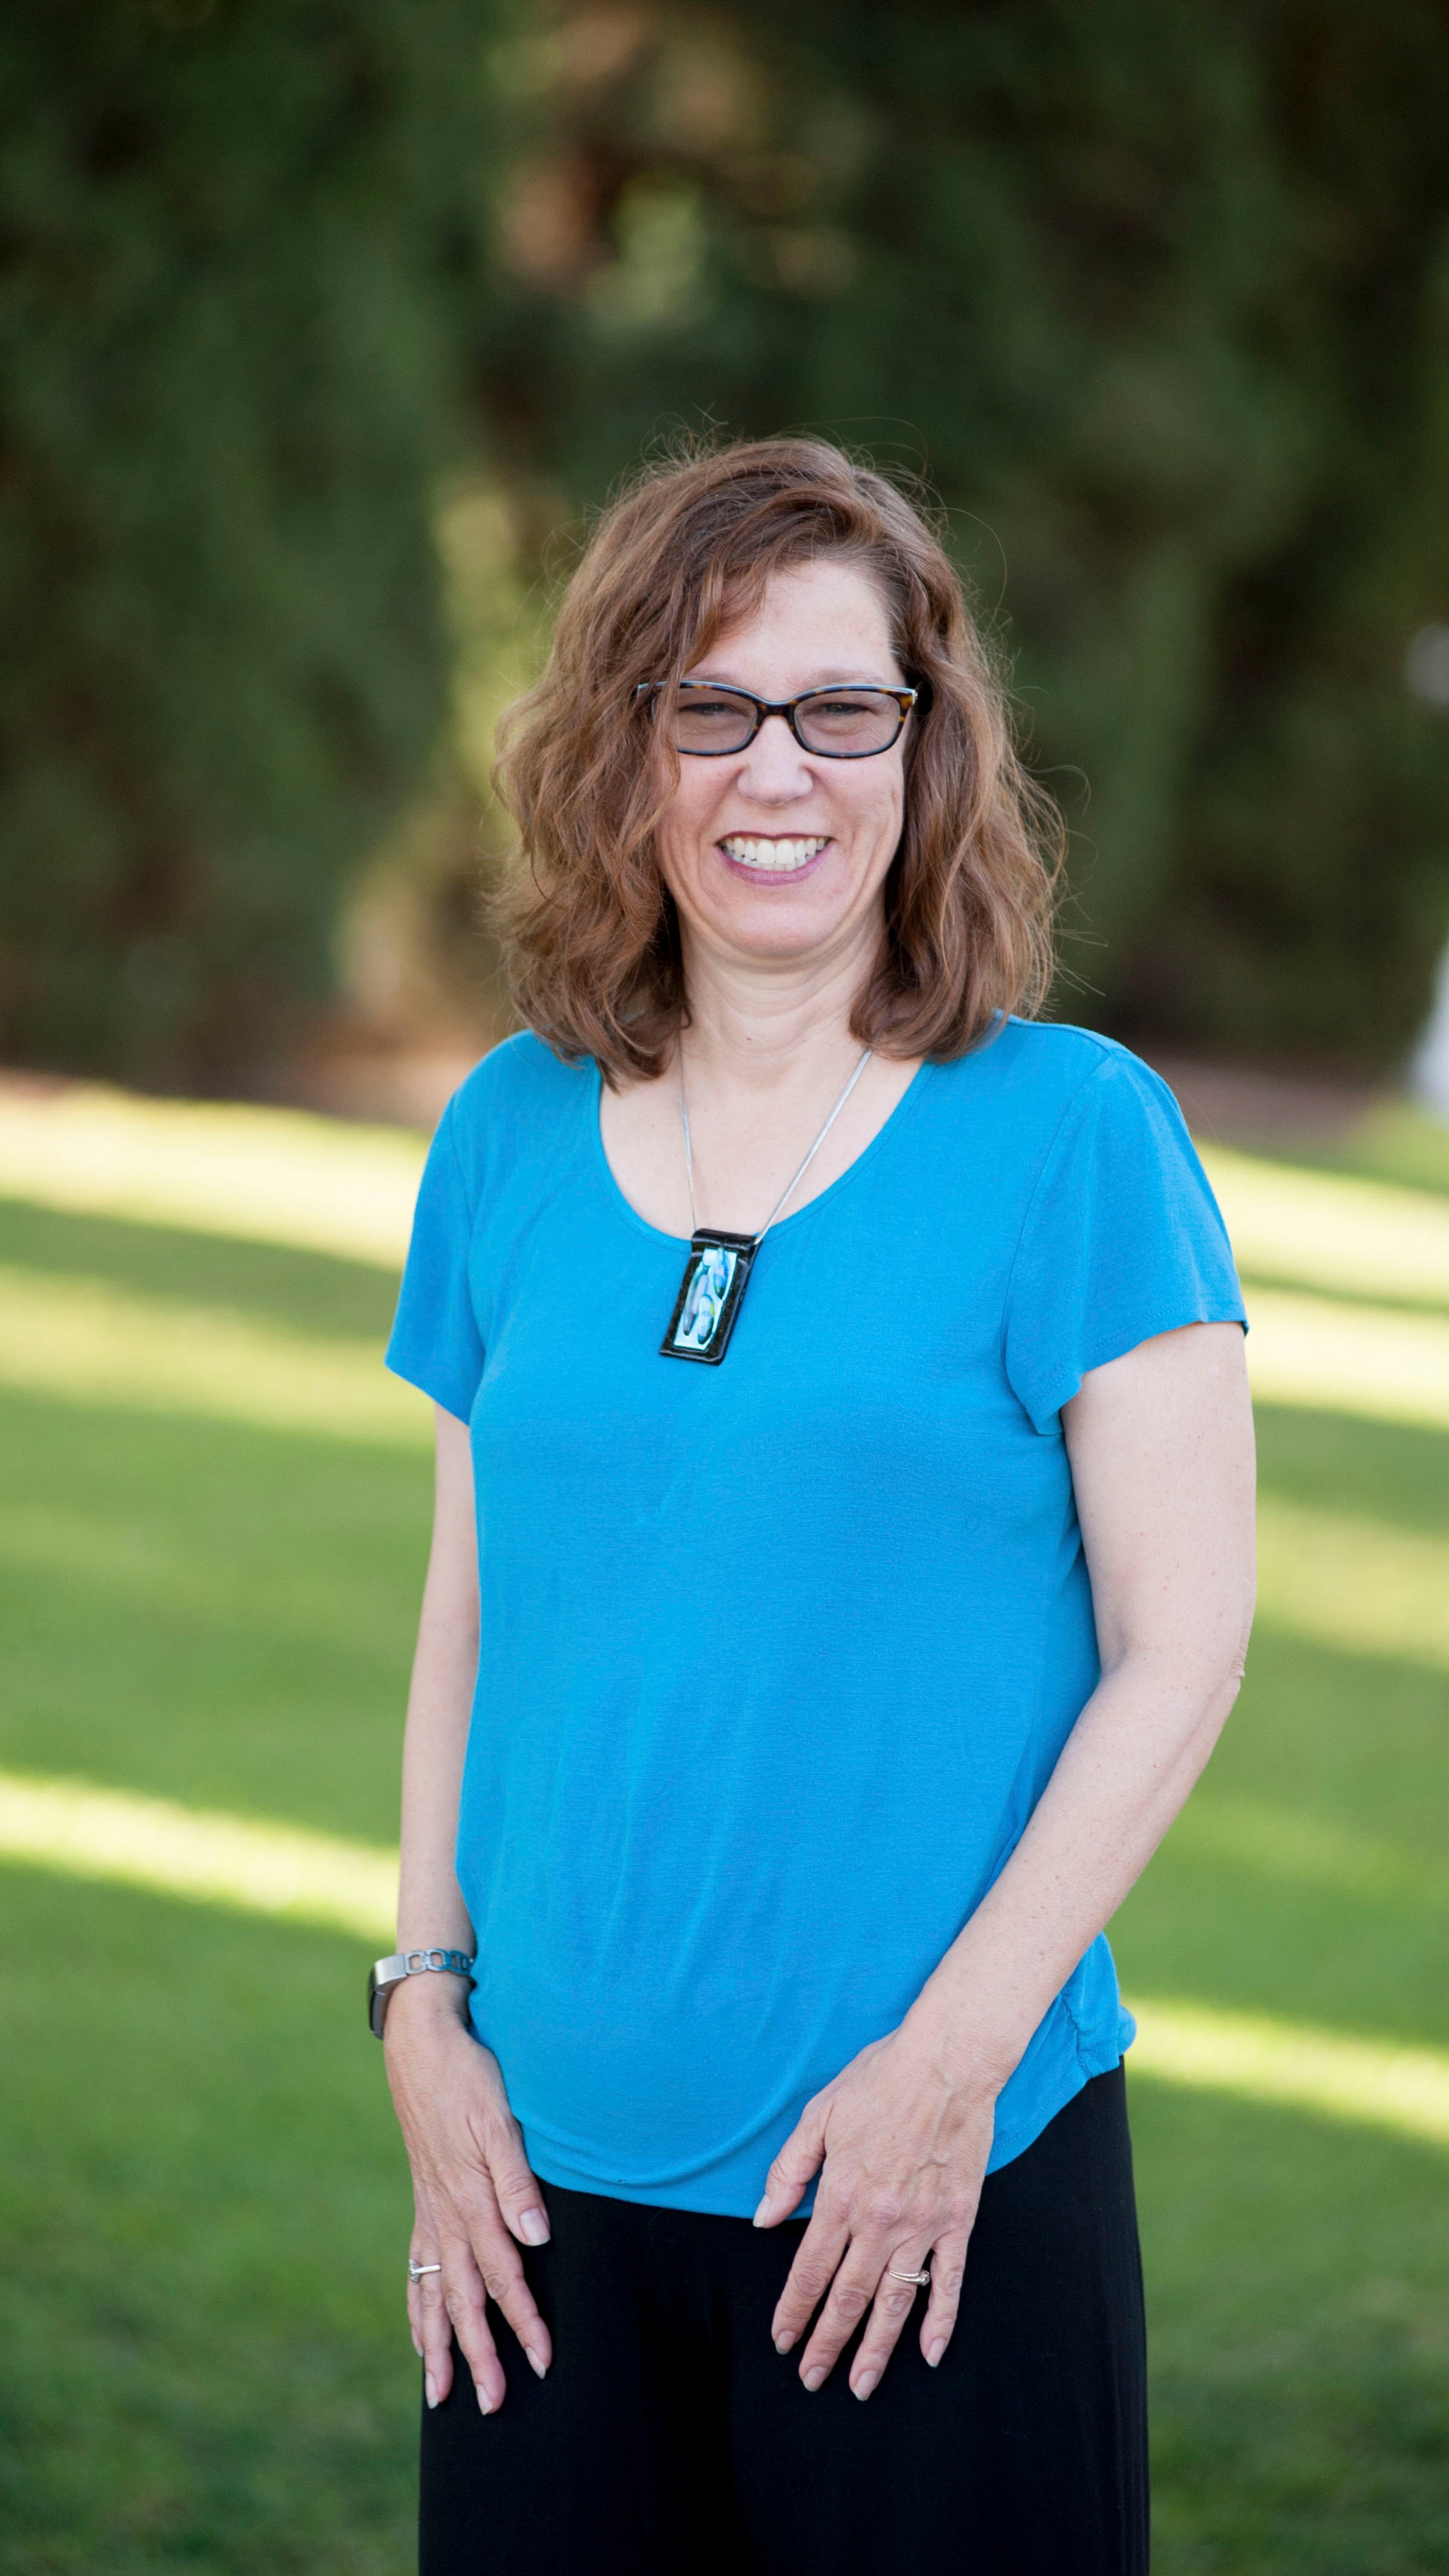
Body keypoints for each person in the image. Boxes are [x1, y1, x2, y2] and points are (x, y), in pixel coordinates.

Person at [376, 437, 1255, 2576]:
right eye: (711, 707)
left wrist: (944, 2073)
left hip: (921, 2186)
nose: (780, 771)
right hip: (535, 2191)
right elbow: (473, 1610)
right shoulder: (505, 1129)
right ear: (623, 750)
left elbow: (1182, 1643)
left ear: (922, 745)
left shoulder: (1071, 1136)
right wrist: (421, 2004)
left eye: (841, 707)